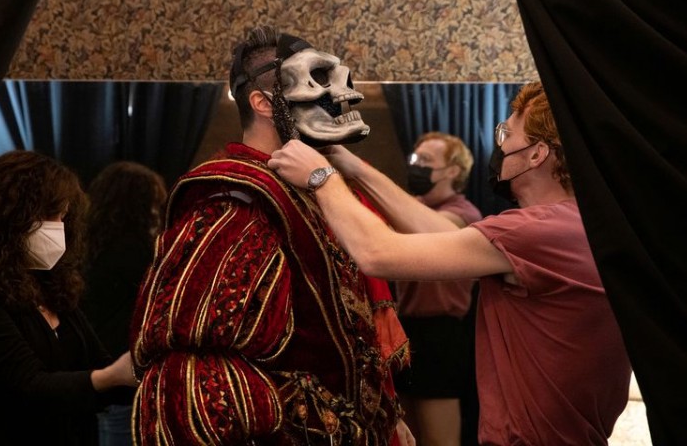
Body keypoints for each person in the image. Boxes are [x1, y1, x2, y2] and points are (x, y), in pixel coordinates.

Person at [269, 82, 632, 445]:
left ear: (537, 154)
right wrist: (354, 167)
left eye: (507, 134)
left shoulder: (535, 231)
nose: (501, 146)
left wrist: (321, 177)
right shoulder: (575, 224)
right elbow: (440, 232)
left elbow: (377, 253)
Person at [129, 25, 414, 445]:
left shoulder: (310, 187)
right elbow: (199, 359)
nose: (335, 98)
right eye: (314, 83)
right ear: (263, 103)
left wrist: (384, 417)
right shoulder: (236, 197)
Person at [0, 150, 139, 446]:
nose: (58, 228)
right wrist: (110, 377)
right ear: (9, 215)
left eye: (63, 217)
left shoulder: (49, 285)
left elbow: (98, 364)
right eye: (50, 215)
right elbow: (28, 385)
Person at [397, 132, 481, 446]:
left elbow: (425, 230)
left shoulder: (463, 213)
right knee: (407, 436)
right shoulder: (413, 207)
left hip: (442, 334)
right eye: (415, 159)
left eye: (427, 160)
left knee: (438, 438)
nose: (417, 166)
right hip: (408, 331)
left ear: (453, 171)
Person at [80, 161, 168, 446]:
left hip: (96, 375)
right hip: (126, 376)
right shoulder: (136, 251)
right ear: (139, 206)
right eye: (153, 204)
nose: (157, 213)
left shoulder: (86, 247)